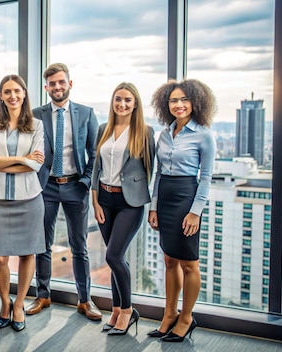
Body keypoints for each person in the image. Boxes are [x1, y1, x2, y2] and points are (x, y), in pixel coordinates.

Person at [27, 63, 101, 321]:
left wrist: (85, 181)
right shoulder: (36, 114)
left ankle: (84, 299)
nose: (57, 87)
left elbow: (94, 154)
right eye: (52, 83)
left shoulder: (86, 114)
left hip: (75, 185)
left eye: (61, 82)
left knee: (79, 246)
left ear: (70, 84)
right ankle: (43, 295)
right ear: (46, 87)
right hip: (45, 186)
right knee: (42, 244)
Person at [147, 79, 217, 342]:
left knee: (189, 263)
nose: (178, 104)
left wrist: (195, 212)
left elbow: (207, 177)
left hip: (187, 198)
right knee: (169, 260)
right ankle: (169, 314)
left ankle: (187, 318)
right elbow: (158, 173)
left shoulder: (204, 135)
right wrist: (153, 207)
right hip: (164, 197)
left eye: (184, 99)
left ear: (195, 102)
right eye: (174, 100)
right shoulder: (163, 134)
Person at [0, 75, 45, 332]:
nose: (12, 96)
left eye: (17, 91)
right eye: (7, 91)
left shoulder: (37, 125)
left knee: (28, 253)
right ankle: (4, 302)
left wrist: (4, 161)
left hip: (29, 198)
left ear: (25, 93)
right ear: (1, 96)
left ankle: (18, 305)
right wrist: (22, 159)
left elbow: (36, 164)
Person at [91, 82, 155, 335]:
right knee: (117, 257)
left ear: (135, 103)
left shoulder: (145, 132)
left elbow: (150, 171)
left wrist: (145, 201)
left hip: (130, 204)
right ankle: (117, 309)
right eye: (118, 99)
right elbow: (96, 167)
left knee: (113, 256)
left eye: (128, 100)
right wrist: (95, 201)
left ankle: (128, 310)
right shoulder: (103, 129)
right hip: (104, 200)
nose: (122, 104)